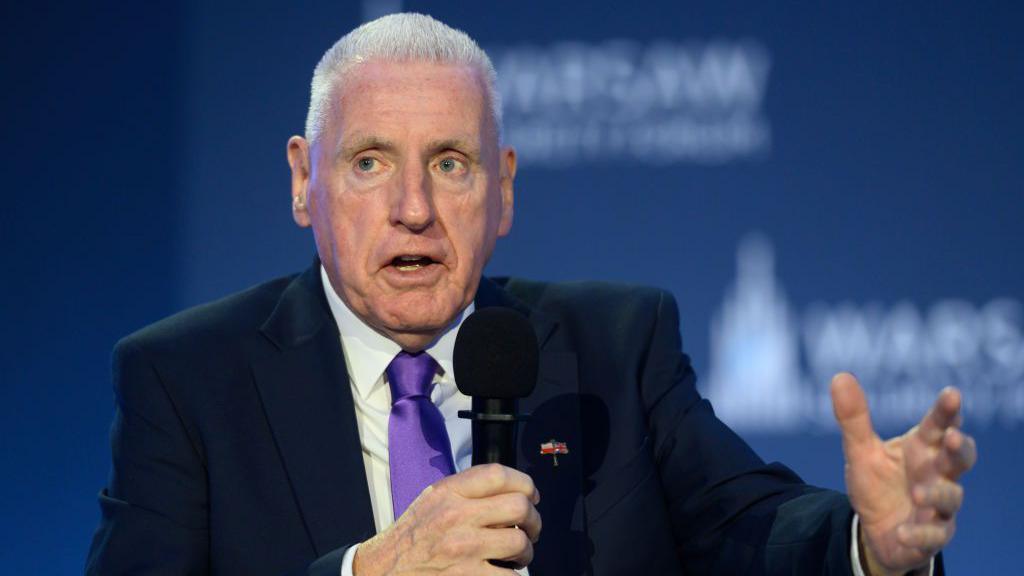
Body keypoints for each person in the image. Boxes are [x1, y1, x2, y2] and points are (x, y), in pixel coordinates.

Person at [85, 13, 975, 576]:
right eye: (368, 163)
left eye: (450, 163)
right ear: (300, 181)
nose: (413, 210)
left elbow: (749, 525)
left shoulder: (617, 346)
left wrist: (870, 548)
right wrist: (366, 575)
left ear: (502, 188)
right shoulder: (185, 381)